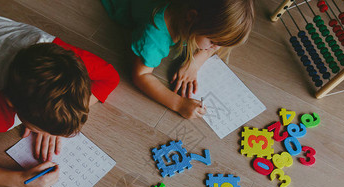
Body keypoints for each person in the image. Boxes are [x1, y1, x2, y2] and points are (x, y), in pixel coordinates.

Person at [0, 0, 120, 187]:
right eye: (41, 128)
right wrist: (20, 180)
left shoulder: (57, 55)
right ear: (12, 104)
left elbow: (110, 77)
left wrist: (57, 121)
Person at [101, 0, 255, 119]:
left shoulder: (203, 12)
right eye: (213, 42)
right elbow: (141, 76)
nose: (215, 48)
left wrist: (195, 62)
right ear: (191, 17)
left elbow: (218, 41)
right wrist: (179, 104)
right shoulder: (154, 35)